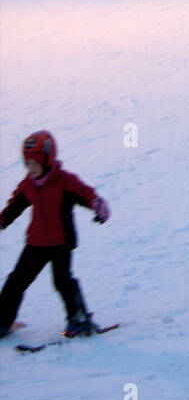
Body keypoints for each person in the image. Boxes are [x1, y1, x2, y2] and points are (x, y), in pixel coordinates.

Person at [0, 132, 110, 339]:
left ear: (48, 160)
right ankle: (2, 321)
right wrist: (2, 220)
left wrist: (96, 204)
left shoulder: (64, 181)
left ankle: (79, 318)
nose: (31, 168)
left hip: (61, 242)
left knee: (62, 280)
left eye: (35, 163)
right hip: (36, 242)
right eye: (28, 163)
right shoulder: (28, 185)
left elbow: (84, 193)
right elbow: (15, 205)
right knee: (16, 281)